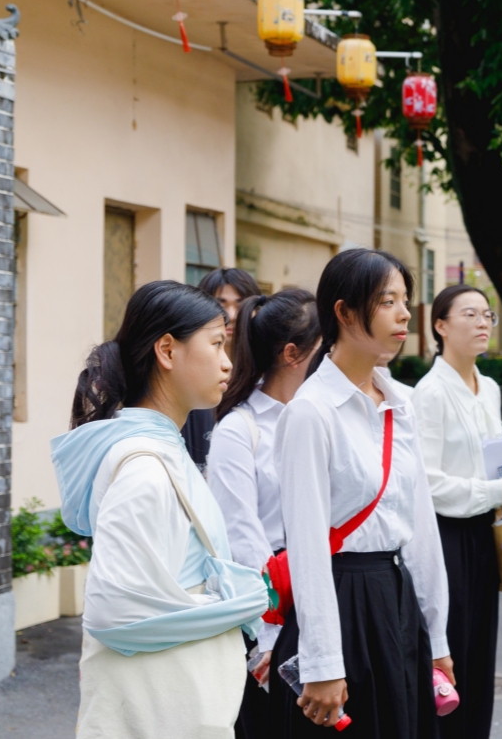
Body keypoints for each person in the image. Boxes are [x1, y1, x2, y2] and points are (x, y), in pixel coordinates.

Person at [50, 280, 270, 738]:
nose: (228, 362)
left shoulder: (158, 454)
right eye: (215, 344)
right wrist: (239, 601)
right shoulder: (145, 470)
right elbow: (115, 612)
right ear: (167, 351)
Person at [271, 248, 454, 738]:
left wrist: (436, 637)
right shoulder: (312, 412)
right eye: (386, 300)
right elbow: (307, 544)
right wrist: (324, 662)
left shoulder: (401, 404)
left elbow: (420, 528)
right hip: (343, 599)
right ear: (345, 312)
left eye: (406, 299)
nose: (404, 313)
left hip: (397, 600)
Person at [414, 284, 502, 739]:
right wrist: (494, 488)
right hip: (445, 538)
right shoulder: (427, 394)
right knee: (451, 657)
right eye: (470, 314)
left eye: (488, 315)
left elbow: (494, 457)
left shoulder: (489, 388)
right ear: (441, 326)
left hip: (486, 532)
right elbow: (426, 482)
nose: (483, 322)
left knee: (481, 653)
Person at [207, 288, 320, 739]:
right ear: (293, 354)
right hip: (274, 607)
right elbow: (241, 538)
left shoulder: (318, 415)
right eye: (322, 348)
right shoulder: (240, 428)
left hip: (327, 589)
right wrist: (269, 638)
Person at [184, 268, 261, 471]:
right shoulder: (186, 375)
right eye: (221, 303)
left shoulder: (269, 376)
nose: (232, 314)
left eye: (241, 304)